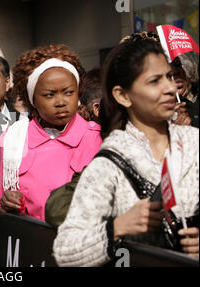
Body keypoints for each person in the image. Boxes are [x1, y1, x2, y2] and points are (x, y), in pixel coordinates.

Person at [53, 33, 199, 267]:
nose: (170, 88)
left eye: (170, 76)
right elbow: (66, 251)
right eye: (154, 81)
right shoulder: (109, 163)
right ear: (122, 95)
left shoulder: (195, 143)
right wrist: (117, 227)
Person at [0, 44, 102, 221]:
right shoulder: (12, 140)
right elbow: (6, 198)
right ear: (32, 99)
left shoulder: (99, 138)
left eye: (68, 92)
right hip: (31, 243)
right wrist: (4, 200)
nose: (61, 102)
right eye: (49, 95)